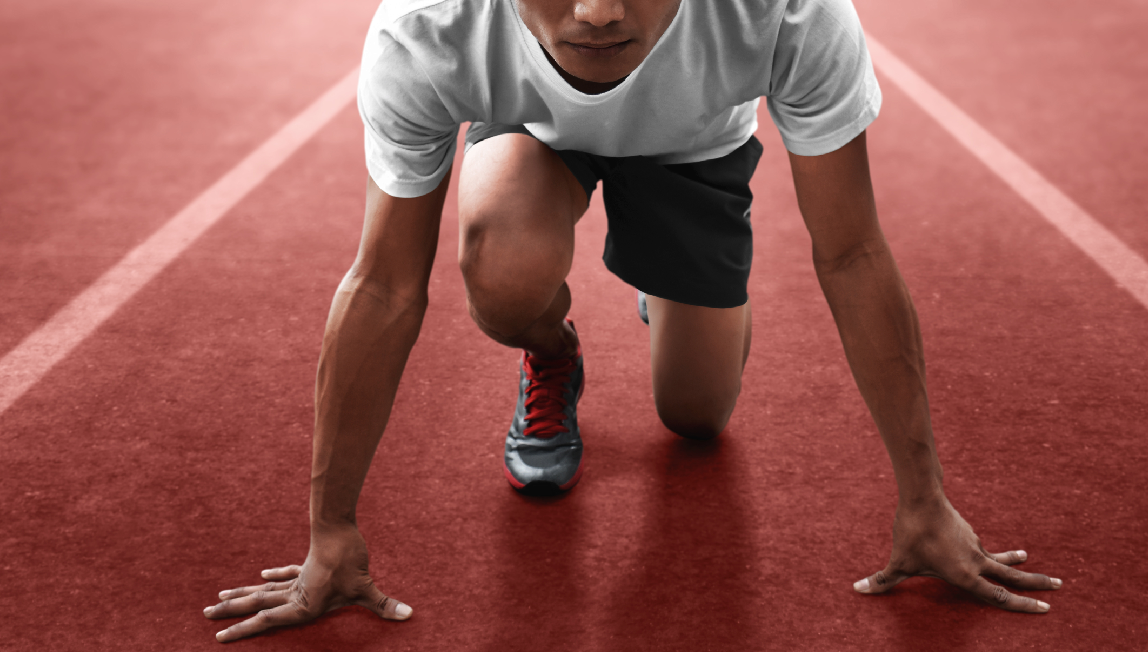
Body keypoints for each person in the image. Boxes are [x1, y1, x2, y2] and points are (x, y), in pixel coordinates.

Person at [203, 0, 1063, 641]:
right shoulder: (429, 27)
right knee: (503, 273)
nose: (598, 12)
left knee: (696, 416)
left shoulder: (786, 11)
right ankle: (553, 352)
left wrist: (924, 499)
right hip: (536, 133)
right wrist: (330, 530)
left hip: (693, 144)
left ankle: (678, 289)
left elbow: (852, 253)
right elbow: (385, 286)